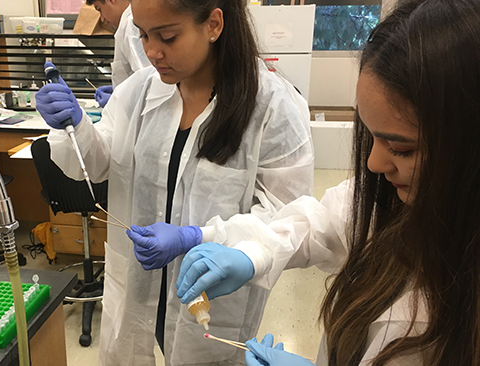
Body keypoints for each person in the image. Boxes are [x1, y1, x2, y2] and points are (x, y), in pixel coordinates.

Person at [166, 0, 480, 365]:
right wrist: (252, 254)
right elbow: (321, 222)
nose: (374, 163)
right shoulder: (395, 204)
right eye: (371, 135)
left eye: (402, 149)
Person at [35, 0, 314, 363]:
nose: (152, 52)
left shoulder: (273, 107)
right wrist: (75, 126)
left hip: (214, 299)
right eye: (143, 35)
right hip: (140, 280)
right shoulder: (140, 91)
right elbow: (103, 161)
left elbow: (288, 220)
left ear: (214, 25)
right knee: (133, 344)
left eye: (167, 36)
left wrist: (197, 237)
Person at [86, 0, 150, 107]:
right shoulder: (127, 23)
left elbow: (148, 82)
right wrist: (119, 90)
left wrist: (117, 101)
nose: (102, 18)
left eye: (99, 9)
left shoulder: (131, 24)